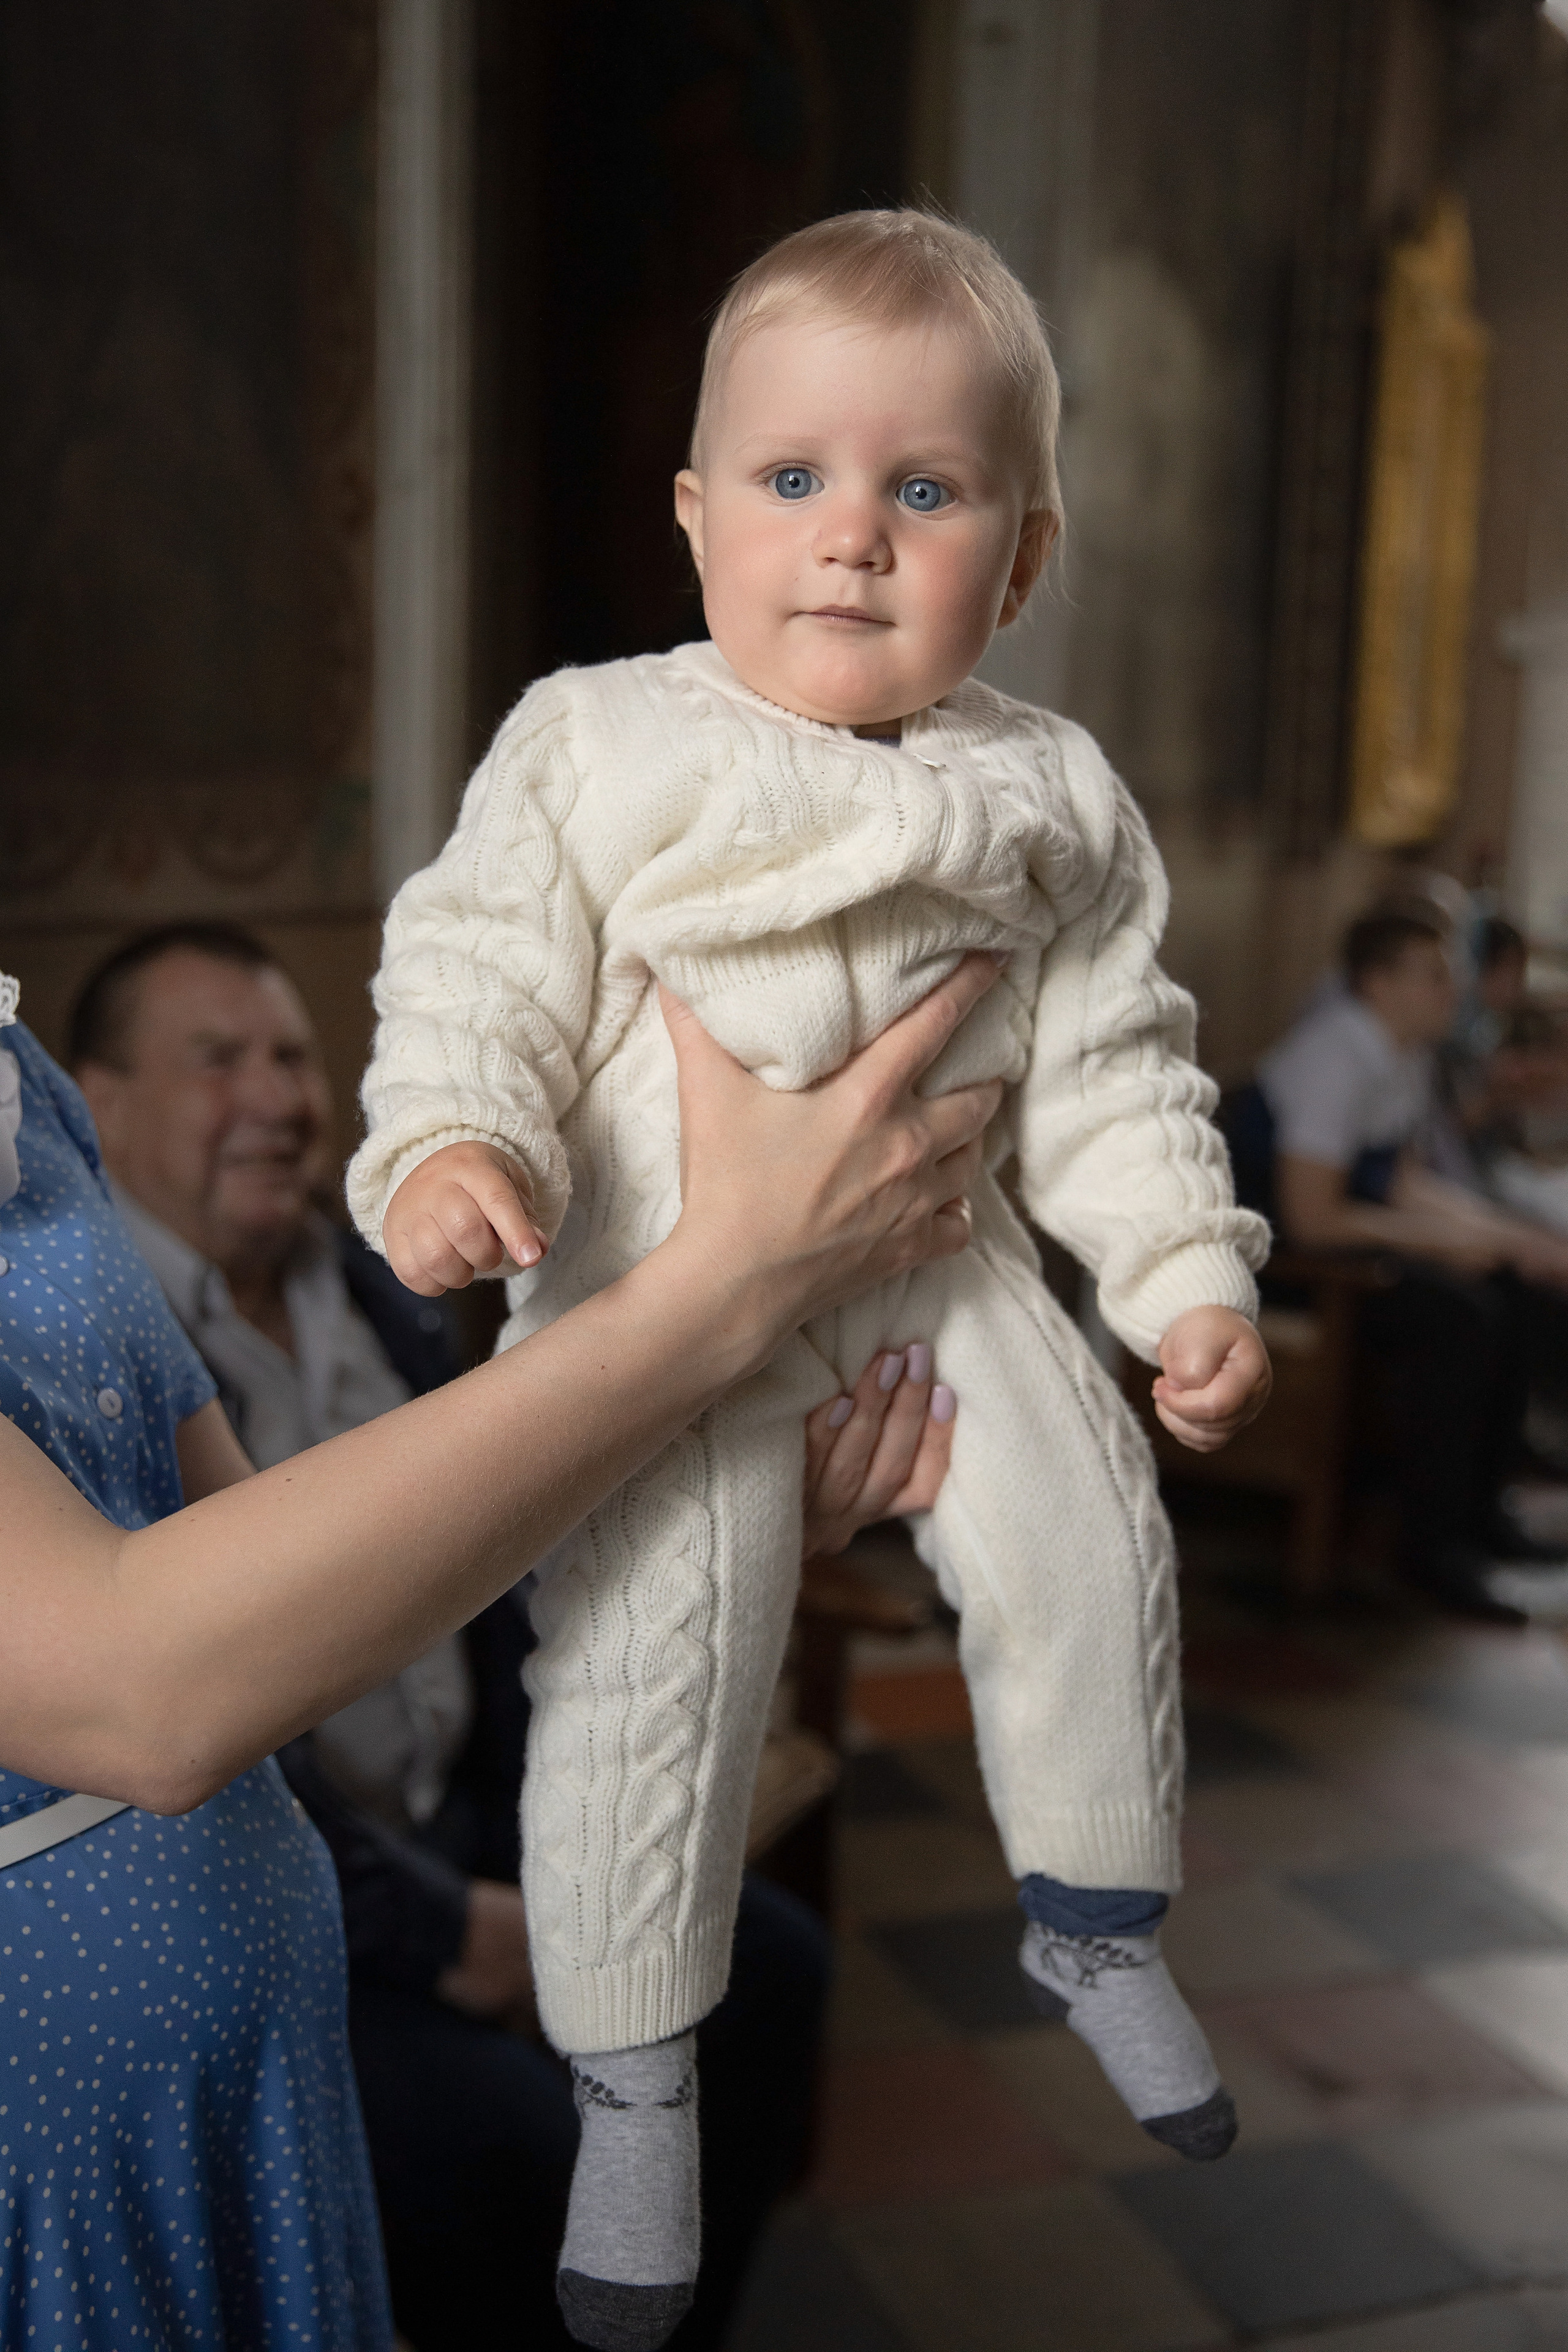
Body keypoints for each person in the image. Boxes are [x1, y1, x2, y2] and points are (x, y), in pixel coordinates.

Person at [346, 208, 1274, 2350]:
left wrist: (1179, 1275)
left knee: (1084, 1522)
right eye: (793, 481)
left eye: (923, 493)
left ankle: (1099, 1915)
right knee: (652, 1668)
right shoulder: (597, 743)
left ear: (1021, 562)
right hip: (657, 1291)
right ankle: (638, 2086)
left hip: (941, 1265)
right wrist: (457, 1146)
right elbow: (475, 968)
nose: (851, 537)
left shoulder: (1052, 793)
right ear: (692, 521)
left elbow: (1119, 1067)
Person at [0, 949, 1000, 2351]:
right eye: (216, 1056)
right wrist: (720, 1287)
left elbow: (338, 1603)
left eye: (290, 1055)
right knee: (529, 2159)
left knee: (751, 1972)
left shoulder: (28, 1084)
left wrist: (724, 1513)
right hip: (63, 2121)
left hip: (260, 2036)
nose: (276, 1096)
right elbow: (149, 1686)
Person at [1256, 908, 1568, 1618]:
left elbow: (1399, 1180)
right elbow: (1311, 1215)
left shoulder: (1399, 1056)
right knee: (1462, 1316)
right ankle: (1430, 1550)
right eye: (1434, 974)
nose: (1451, 990)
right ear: (1377, 982)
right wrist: (1446, 1245)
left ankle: (1481, 1517)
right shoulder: (1336, 1053)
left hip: (1353, 1248)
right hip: (1295, 1270)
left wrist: (1511, 1239)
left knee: (1513, 1287)